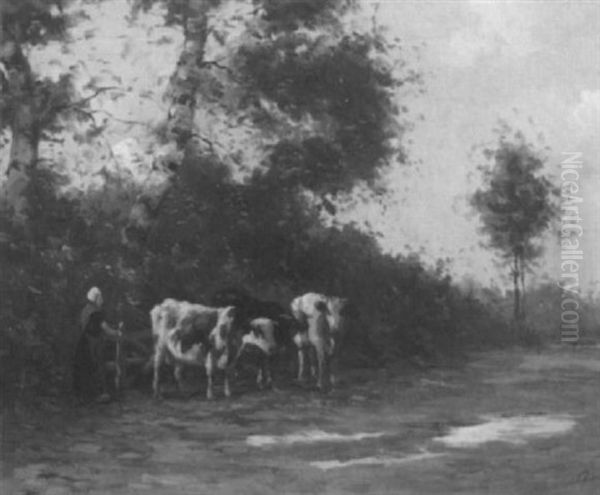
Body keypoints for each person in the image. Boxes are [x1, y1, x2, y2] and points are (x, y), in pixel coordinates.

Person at [72, 287, 122, 404]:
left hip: (82, 342)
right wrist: (117, 333)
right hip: (91, 343)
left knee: (84, 368)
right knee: (95, 366)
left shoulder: (85, 310)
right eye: (100, 298)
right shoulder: (96, 312)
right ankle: (98, 395)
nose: (102, 300)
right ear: (96, 298)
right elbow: (105, 329)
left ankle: (81, 396)